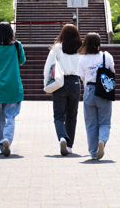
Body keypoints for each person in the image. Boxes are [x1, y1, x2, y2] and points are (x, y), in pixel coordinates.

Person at [0, 22, 26, 157]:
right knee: (11, 116)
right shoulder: (17, 45)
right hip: (13, 86)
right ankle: (7, 139)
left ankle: (1, 143)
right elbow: (22, 60)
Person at [43, 24, 82, 156]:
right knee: (72, 116)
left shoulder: (57, 48)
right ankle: (69, 146)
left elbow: (48, 67)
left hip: (60, 84)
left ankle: (62, 138)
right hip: (75, 82)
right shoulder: (80, 48)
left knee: (59, 116)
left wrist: (46, 85)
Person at [76, 33, 115, 160]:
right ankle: (102, 140)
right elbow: (112, 71)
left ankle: (93, 152)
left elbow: (82, 77)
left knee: (90, 123)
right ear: (99, 44)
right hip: (103, 90)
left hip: (89, 90)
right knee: (104, 121)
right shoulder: (106, 56)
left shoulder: (82, 59)